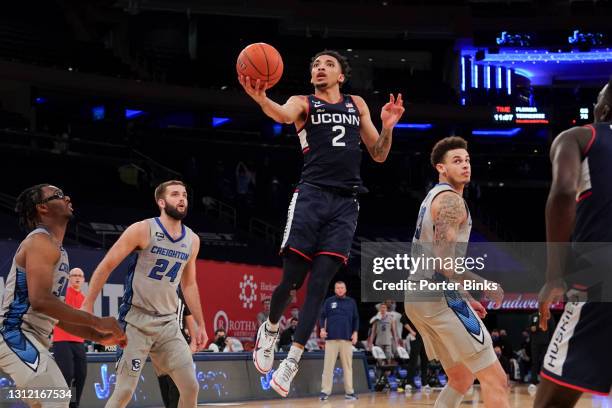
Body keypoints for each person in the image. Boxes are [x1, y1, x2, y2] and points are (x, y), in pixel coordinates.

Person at [239, 49, 404, 397]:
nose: (319, 68)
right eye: (315, 64)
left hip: (346, 204)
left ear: (341, 76)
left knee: (319, 285)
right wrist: (262, 98)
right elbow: (282, 116)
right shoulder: (303, 102)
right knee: (292, 281)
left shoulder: (356, 103)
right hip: (311, 196)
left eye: (328, 64)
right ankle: (270, 331)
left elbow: (378, 154)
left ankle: (292, 362)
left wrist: (388, 126)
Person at [82, 180, 208, 408]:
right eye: (175, 195)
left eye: (184, 195)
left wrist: (200, 323)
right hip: (136, 321)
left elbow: (189, 285)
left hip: (168, 324)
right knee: (124, 392)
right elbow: (107, 264)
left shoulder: (192, 240)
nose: (182, 199)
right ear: (161, 202)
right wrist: (88, 302)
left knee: (190, 387)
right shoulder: (143, 229)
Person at [405, 136, 509, 408]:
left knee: (461, 378)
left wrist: (465, 297)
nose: (465, 166)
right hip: (437, 298)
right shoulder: (451, 201)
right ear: (441, 168)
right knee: (496, 380)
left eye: (467, 160)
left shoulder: (431, 197)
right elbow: (444, 264)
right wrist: (484, 285)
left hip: (418, 297)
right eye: (456, 161)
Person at [0, 184, 125, 408]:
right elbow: (40, 301)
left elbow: (55, 316)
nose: (67, 197)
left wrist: (97, 336)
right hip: (13, 334)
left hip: (32, 337)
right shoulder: (40, 241)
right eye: (57, 195)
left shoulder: (58, 249)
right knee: (57, 396)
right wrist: (97, 321)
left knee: (50, 401)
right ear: (42, 209)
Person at [535, 80, 612, 407]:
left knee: (551, 401)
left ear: (604, 108)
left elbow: (564, 192)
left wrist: (555, 275)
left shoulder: (580, 136)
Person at [52, 268, 88, 408]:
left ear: (83, 279)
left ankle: (73, 404)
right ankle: (60, 405)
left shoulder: (85, 299)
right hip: (62, 341)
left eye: (80, 275)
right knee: (66, 374)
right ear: (69, 278)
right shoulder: (62, 294)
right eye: (74, 275)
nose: (77, 278)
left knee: (80, 376)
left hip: (78, 341)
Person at [157, 287, 197, 408]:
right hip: (161, 343)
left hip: (179, 342)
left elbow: (189, 316)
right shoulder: (157, 291)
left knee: (177, 385)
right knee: (165, 383)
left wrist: (193, 341)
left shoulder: (182, 293)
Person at [319, 281, 359, 401]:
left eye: (342, 287)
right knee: (328, 367)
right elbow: (322, 316)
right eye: (338, 288)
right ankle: (325, 392)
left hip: (346, 340)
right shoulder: (329, 301)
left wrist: (355, 333)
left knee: (347, 367)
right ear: (335, 289)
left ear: (345, 289)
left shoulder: (351, 302)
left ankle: (349, 392)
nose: (340, 289)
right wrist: (322, 329)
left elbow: (356, 318)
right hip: (331, 340)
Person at [401, 314, 429, 388]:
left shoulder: (424, 311)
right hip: (415, 337)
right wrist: (411, 331)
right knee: (413, 360)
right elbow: (403, 320)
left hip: (425, 337)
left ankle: (424, 383)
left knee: (425, 360)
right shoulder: (410, 309)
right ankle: (409, 383)